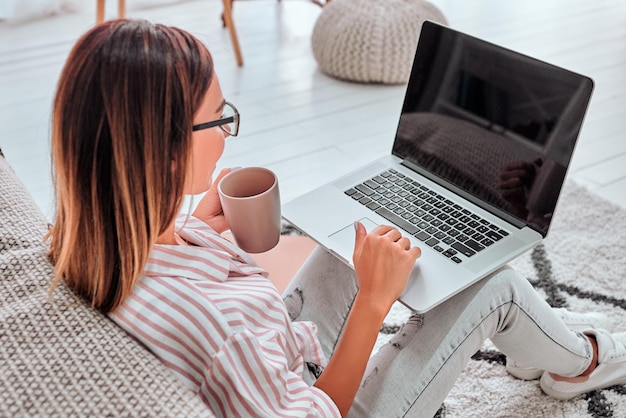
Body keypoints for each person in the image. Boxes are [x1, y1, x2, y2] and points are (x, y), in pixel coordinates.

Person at [47, 19, 626, 417]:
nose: (227, 131)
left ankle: (540, 336)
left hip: (281, 354)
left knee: (357, 238)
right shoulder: (212, 328)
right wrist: (374, 306)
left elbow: (177, 278)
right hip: (327, 399)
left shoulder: (86, 238)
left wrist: (202, 228)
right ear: (165, 151)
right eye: (217, 118)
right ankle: (581, 361)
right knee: (495, 286)